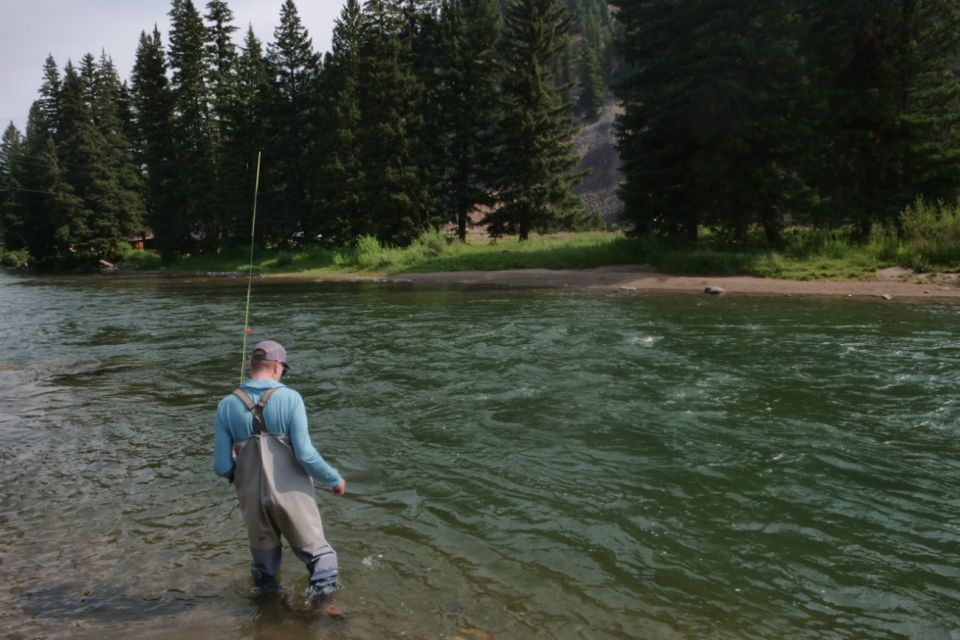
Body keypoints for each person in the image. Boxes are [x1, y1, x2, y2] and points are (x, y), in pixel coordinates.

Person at [213, 340, 346, 602]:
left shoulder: (226, 406)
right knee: (322, 559)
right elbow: (305, 455)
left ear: (252, 366)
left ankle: (269, 613)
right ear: (277, 366)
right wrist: (333, 478)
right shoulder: (291, 398)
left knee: (264, 569)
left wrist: (237, 465)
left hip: (252, 497)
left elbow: (221, 467)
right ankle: (322, 611)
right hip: (290, 493)